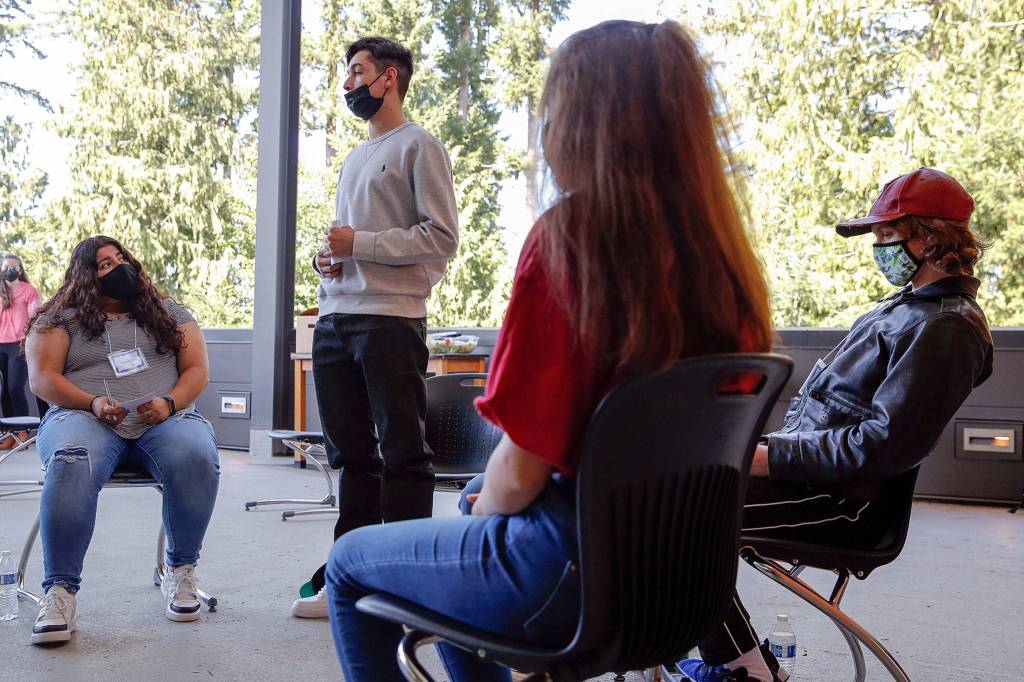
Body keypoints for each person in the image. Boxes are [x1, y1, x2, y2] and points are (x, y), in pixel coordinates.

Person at [322, 20, 775, 681]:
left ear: (579, 121)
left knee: (353, 562)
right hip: (686, 580)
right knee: (475, 499)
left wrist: (488, 511)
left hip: (572, 579)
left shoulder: (573, 242)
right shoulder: (726, 258)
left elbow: (521, 473)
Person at [677, 167, 994, 682]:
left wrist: (758, 456)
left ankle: (746, 671)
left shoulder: (947, 328)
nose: (878, 246)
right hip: (810, 479)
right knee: (665, 484)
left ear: (932, 235)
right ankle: (722, 653)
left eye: (889, 234)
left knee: (683, 514)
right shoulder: (907, 309)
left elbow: (881, 449)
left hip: (846, 506)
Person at [290, 35, 459, 618]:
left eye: (357, 72)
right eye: (346, 74)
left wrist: (358, 243)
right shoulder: (355, 157)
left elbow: (441, 237)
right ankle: (352, 565)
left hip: (390, 321)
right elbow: (351, 241)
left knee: (403, 452)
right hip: (335, 319)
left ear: (389, 78)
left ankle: (409, 577)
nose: (347, 84)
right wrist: (330, 259)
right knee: (350, 456)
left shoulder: (419, 145)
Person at [24, 236, 220, 645]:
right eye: (104, 265)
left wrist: (170, 402)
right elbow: (43, 378)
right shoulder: (60, 319)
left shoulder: (171, 312)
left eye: (121, 258)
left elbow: (197, 370)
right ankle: (59, 592)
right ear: (85, 277)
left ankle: (180, 571)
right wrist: (92, 402)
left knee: (196, 452)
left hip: (165, 419)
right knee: (71, 457)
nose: (118, 268)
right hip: (84, 417)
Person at [0, 253, 41, 447]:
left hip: (19, 344)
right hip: (1, 345)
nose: (10, 269)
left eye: (14, 266)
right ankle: (10, 433)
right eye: (6, 266)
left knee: (14, 388)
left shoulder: (29, 291)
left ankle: (23, 431)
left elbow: (35, 317)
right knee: (4, 392)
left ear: (20, 269)